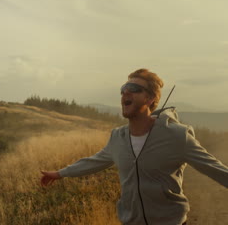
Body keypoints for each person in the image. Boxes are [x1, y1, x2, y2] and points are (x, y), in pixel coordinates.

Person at [40, 68, 228, 225]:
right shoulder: (118, 137)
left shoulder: (177, 136)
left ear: (150, 98)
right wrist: (60, 173)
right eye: (123, 89)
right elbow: (94, 162)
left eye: (133, 88)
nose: (125, 93)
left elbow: (213, 167)